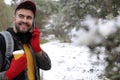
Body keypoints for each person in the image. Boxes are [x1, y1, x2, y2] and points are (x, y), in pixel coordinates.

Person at [0, 0, 51, 80]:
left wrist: (37, 50)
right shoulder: (2, 41)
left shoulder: (30, 41)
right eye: (21, 16)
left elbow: (47, 66)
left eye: (29, 17)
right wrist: (7, 75)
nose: (25, 20)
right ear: (14, 19)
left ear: (33, 22)